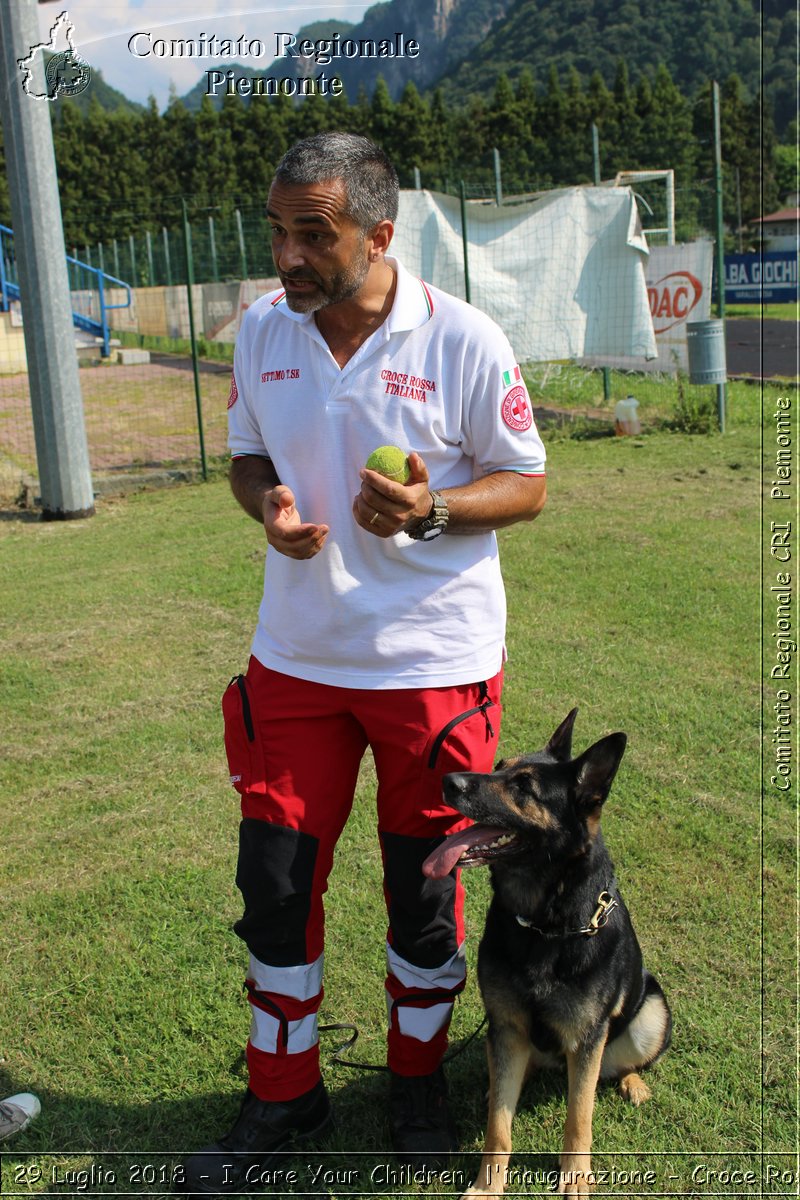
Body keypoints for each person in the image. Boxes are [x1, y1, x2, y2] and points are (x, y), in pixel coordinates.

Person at [182, 131, 546, 1194]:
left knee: (422, 892)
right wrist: (270, 506)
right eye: (278, 232)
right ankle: (283, 1092)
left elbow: (524, 482)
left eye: (312, 234)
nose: (285, 258)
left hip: (431, 665)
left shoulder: (463, 339)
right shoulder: (261, 330)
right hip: (294, 659)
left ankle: (418, 1085)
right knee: (274, 882)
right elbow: (250, 452)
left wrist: (432, 509)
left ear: (379, 234)